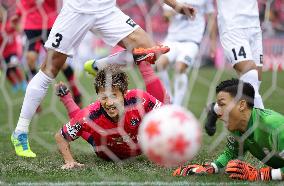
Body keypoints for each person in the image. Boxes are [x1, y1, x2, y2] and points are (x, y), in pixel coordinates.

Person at [11, 0, 196, 158]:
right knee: (50, 68)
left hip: (106, 9)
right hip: (77, 10)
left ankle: (99, 65)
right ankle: (20, 131)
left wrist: (176, 5)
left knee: (149, 52)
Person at [54, 62, 169, 169]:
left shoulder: (139, 99)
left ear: (124, 93)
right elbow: (61, 136)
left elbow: (166, 116)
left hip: (140, 146)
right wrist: (69, 161)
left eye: (114, 96)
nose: (109, 103)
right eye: (103, 97)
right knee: (81, 123)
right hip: (106, 153)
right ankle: (67, 99)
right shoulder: (91, 115)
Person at [173, 79, 284, 181]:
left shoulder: (275, 126)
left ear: (242, 105)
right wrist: (211, 168)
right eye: (218, 107)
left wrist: (260, 174)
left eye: (222, 105)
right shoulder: (239, 126)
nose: (219, 114)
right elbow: (231, 154)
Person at [205, 0, 265, 136]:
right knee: (251, 76)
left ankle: (215, 109)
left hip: (254, 27)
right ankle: (266, 132)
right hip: (232, 26)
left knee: (253, 87)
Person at [13, 0, 82, 106]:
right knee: (30, 60)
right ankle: (32, 100)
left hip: (50, 25)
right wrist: (16, 16)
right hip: (31, 27)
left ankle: (76, 92)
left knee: (61, 63)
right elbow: (20, 9)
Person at [156, 0, 216, 105]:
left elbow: (211, 18)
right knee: (159, 64)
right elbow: (165, 17)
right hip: (172, 40)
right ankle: (169, 98)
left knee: (180, 68)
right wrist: (180, 9)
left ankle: (177, 106)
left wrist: (213, 43)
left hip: (191, 41)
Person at [0, 2, 27, 93]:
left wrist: (18, 27)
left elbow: (19, 29)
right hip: (3, 53)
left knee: (14, 65)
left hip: (13, 50)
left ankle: (23, 82)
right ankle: (14, 84)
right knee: (6, 70)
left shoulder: (9, 23)